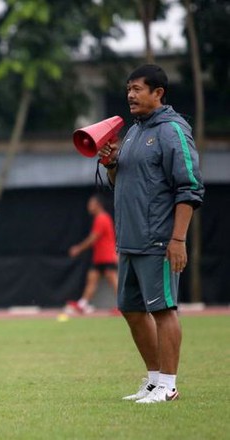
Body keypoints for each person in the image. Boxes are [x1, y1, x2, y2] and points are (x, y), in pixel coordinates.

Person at [100, 64, 204, 404]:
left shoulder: (172, 130)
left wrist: (178, 240)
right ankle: (155, 380)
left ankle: (169, 386)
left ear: (158, 93)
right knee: (131, 310)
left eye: (137, 89)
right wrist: (113, 164)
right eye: (128, 88)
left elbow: (188, 187)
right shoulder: (133, 132)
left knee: (163, 310)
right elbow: (123, 183)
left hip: (159, 239)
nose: (130, 94)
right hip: (129, 239)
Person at [67, 194, 118, 314]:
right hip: (99, 257)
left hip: (107, 256)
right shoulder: (99, 218)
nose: (89, 207)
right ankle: (82, 304)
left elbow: (93, 238)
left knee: (114, 280)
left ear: (98, 205)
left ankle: (123, 306)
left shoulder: (102, 218)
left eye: (91, 204)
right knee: (92, 279)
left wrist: (78, 249)